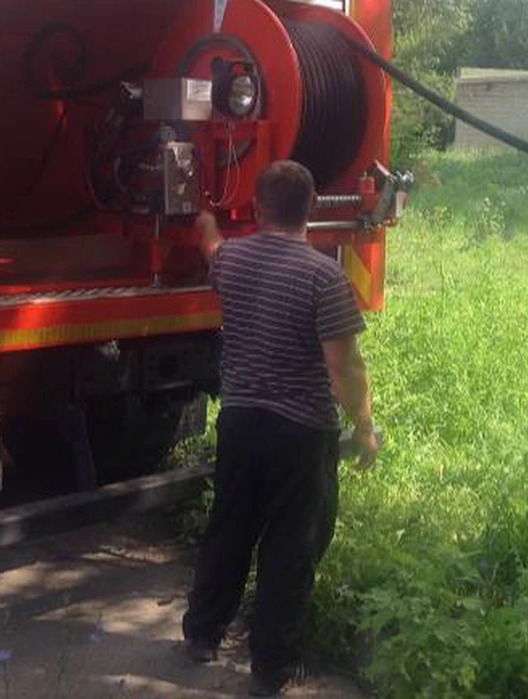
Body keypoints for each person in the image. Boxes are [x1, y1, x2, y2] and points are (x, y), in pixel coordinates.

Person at [182, 160, 379, 696]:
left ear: (258, 206)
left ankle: (202, 634)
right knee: (291, 547)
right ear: (312, 207)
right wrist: (364, 426)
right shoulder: (324, 277)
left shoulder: (235, 260)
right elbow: (345, 367)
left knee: (230, 529)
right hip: (301, 431)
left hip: (241, 422)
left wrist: (205, 224)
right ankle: (269, 667)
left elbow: (214, 251)